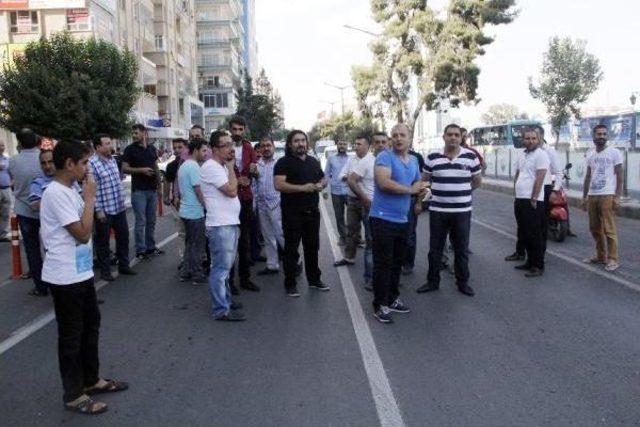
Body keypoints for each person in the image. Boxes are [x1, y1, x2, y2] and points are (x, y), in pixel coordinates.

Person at [41, 140, 128, 415]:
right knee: (71, 336)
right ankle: (74, 394)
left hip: (80, 272)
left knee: (91, 327)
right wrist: (90, 197)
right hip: (64, 276)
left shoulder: (70, 190)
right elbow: (82, 232)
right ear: (69, 164)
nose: (87, 169)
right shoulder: (56, 193)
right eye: (84, 163)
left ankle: (91, 380)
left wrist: (86, 197)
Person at [370, 123, 427, 323]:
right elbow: (384, 183)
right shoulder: (384, 157)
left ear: (409, 138)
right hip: (382, 218)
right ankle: (379, 305)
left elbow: (418, 183)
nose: (398, 138)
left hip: (403, 220)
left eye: (402, 135)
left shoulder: (412, 160)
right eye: (394, 135)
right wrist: (410, 190)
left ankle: (392, 298)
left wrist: (419, 196)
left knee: (396, 263)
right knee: (383, 264)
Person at [416, 124, 482, 296]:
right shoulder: (432, 158)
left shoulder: (471, 157)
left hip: (462, 212)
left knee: (461, 249)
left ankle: (462, 283)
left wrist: (463, 193)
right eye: (450, 134)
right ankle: (432, 282)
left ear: (461, 138)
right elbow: (424, 181)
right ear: (444, 137)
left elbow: (477, 181)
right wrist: (419, 200)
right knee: (435, 249)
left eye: (456, 135)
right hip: (438, 211)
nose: (453, 137)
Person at [274, 130, 330, 297]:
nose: (300, 144)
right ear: (290, 144)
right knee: (291, 250)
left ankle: (314, 280)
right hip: (292, 214)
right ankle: (290, 284)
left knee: (312, 247)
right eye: (296, 141)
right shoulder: (283, 163)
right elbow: (278, 185)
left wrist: (322, 183)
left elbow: (323, 178)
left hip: (312, 213)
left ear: (307, 143)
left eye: (303, 140)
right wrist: (303, 188)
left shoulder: (313, 161)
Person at [201, 131, 246, 321]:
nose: (231, 148)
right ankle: (221, 309)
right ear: (214, 149)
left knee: (225, 268)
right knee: (220, 269)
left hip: (229, 224)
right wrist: (231, 168)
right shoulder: (212, 167)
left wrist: (229, 169)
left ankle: (225, 300)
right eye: (225, 145)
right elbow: (231, 191)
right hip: (221, 226)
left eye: (231, 144)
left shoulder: (221, 167)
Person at [89, 134, 136, 282]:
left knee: (123, 237)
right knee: (103, 242)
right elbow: (92, 190)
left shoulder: (112, 160)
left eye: (110, 142)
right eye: (107, 143)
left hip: (119, 207)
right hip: (104, 210)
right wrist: (97, 210)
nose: (110, 146)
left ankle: (124, 265)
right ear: (98, 147)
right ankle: (105, 271)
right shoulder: (92, 164)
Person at [344, 133, 386, 291]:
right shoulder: (367, 161)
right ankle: (369, 278)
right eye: (377, 142)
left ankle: (387, 276)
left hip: (387, 210)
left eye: (384, 142)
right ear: (372, 145)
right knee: (371, 243)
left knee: (386, 245)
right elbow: (350, 179)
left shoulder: (391, 159)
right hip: (371, 208)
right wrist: (365, 199)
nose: (381, 145)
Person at [8, 128, 46, 296]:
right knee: (51, 246)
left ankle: (40, 286)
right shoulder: (44, 159)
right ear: (38, 141)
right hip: (47, 208)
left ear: (20, 143)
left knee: (32, 249)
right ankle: (56, 282)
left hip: (24, 208)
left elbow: (12, 180)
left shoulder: (14, 161)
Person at [508, 127, 549, 277]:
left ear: (538, 140)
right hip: (520, 198)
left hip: (532, 200)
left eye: (533, 138)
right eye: (527, 138)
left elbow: (540, 178)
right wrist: (515, 192)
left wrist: (534, 198)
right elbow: (518, 174)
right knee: (524, 232)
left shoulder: (541, 155)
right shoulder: (522, 155)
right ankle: (529, 262)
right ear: (523, 140)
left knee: (535, 234)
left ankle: (538, 265)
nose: (530, 141)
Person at [582, 124, 623, 272]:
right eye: (599, 134)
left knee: (609, 229)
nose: (602, 137)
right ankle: (600, 256)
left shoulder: (614, 153)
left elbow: (620, 175)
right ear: (593, 136)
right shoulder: (590, 154)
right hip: (593, 195)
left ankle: (613, 259)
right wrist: (584, 196)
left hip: (607, 194)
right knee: (594, 228)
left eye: (604, 134)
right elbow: (587, 176)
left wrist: (617, 196)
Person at [228, 116, 260, 293]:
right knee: (231, 242)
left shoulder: (248, 147)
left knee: (245, 241)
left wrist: (254, 171)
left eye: (241, 129)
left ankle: (245, 278)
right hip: (230, 199)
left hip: (246, 198)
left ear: (244, 130)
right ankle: (230, 282)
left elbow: (255, 171)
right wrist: (235, 180)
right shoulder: (223, 146)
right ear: (230, 129)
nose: (237, 133)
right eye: (235, 129)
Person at [122, 124, 163, 260]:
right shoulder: (129, 150)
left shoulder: (152, 148)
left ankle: (151, 247)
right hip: (139, 191)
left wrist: (160, 187)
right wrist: (141, 170)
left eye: (136, 132)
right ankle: (140, 250)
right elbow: (125, 169)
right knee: (140, 222)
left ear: (144, 133)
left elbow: (156, 167)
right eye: (133, 133)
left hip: (152, 190)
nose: (134, 135)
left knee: (152, 221)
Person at [334, 134, 373, 268]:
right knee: (351, 230)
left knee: (370, 233)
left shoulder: (372, 160)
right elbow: (341, 175)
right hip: (352, 200)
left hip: (367, 202)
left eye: (359, 144)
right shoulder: (351, 159)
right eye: (355, 144)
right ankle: (349, 257)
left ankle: (373, 262)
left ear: (367, 146)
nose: (356, 146)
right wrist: (350, 178)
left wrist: (352, 178)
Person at [178, 139, 207, 284]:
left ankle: (185, 272)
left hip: (185, 212)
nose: (205, 153)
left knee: (190, 244)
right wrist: (207, 206)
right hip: (194, 213)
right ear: (195, 150)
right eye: (203, 150)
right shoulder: (194, 167)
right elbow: (198, 190)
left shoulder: (184, 166)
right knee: (197, 245)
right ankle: (197, 275)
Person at [255, 137, 284, 275]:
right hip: (262, 206)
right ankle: (272, 265)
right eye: (263, 146)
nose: (266, 148)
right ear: (260, 149)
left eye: (268, 145)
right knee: (268, 236)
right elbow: (255, 185)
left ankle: (296, 262)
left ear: (273, 147)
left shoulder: (279, 163)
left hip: (276, 204)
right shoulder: (257, 165)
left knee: (281, 235)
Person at [401, 143, 427, 276]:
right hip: (394, 204)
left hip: (411, 201)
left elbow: (420, 181)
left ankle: (408, 263)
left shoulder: (416, 158)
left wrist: (418, 202)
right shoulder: (387, 158)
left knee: (410, 234)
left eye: (403, 136)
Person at [162, 138, 187, 264]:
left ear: (186, 148)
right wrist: (166, 196)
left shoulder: (191, 163)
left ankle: (201, 257)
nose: (177, 150)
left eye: (180, 147)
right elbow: (167, 180)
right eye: (175, 147)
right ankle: (183, 259)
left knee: (196, 232)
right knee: (182, 232)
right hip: (177, 204)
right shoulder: (171, 165)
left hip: (193, 204)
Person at [323, 139, 350, 245]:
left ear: (347, 146)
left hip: (350, 191)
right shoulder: (331, 158)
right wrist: (325, 190)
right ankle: (343, 238)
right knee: (339, 216)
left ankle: (356, 237)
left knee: (354, 216)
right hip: (336, 192)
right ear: (337, 146)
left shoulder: (351, 158)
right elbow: (326, 174)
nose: (342, 146)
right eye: (340, 144)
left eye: (344, 144)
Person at [0, 140, 11, 241]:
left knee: (5, 212)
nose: (2, 147)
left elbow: (11, 172)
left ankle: (3, 234)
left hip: (6, 188)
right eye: (0, 145)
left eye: (3, 145)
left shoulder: (7, 159)